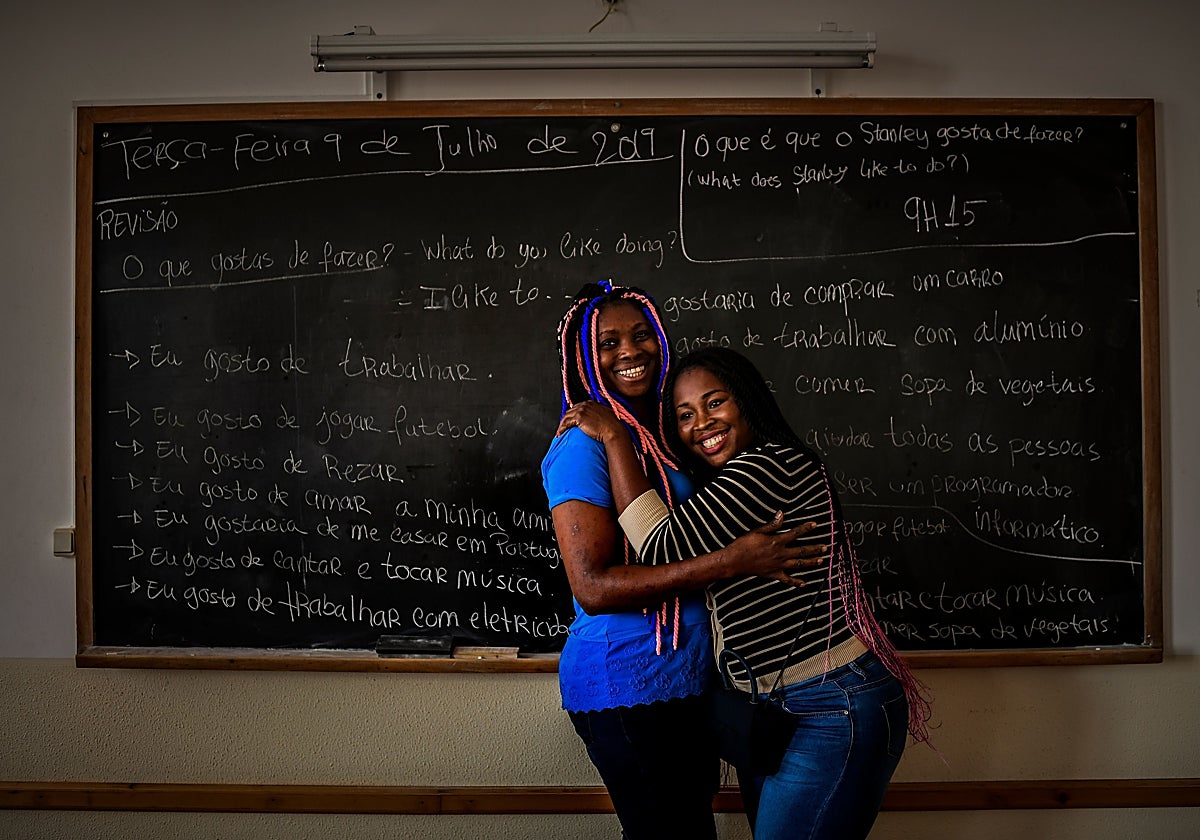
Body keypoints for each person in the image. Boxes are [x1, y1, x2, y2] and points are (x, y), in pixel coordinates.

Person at [559, 346, 934, 840]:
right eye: (685, 415)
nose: (701, 424)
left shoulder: (764, 468)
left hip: (829, 703)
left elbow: (657, 543)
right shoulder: (737, 479)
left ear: (748, 401)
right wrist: (734, 559)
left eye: (715, 403)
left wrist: (613, 434)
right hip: (786, 705)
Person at [542, 283, 826, 840]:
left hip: (688, 681)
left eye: (642, 334)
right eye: (609, 342)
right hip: (628, 682)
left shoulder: (667, 438)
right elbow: (593, 587)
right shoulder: (583, 445)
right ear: (582, 355)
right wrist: (734, 562)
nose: (630, 350)